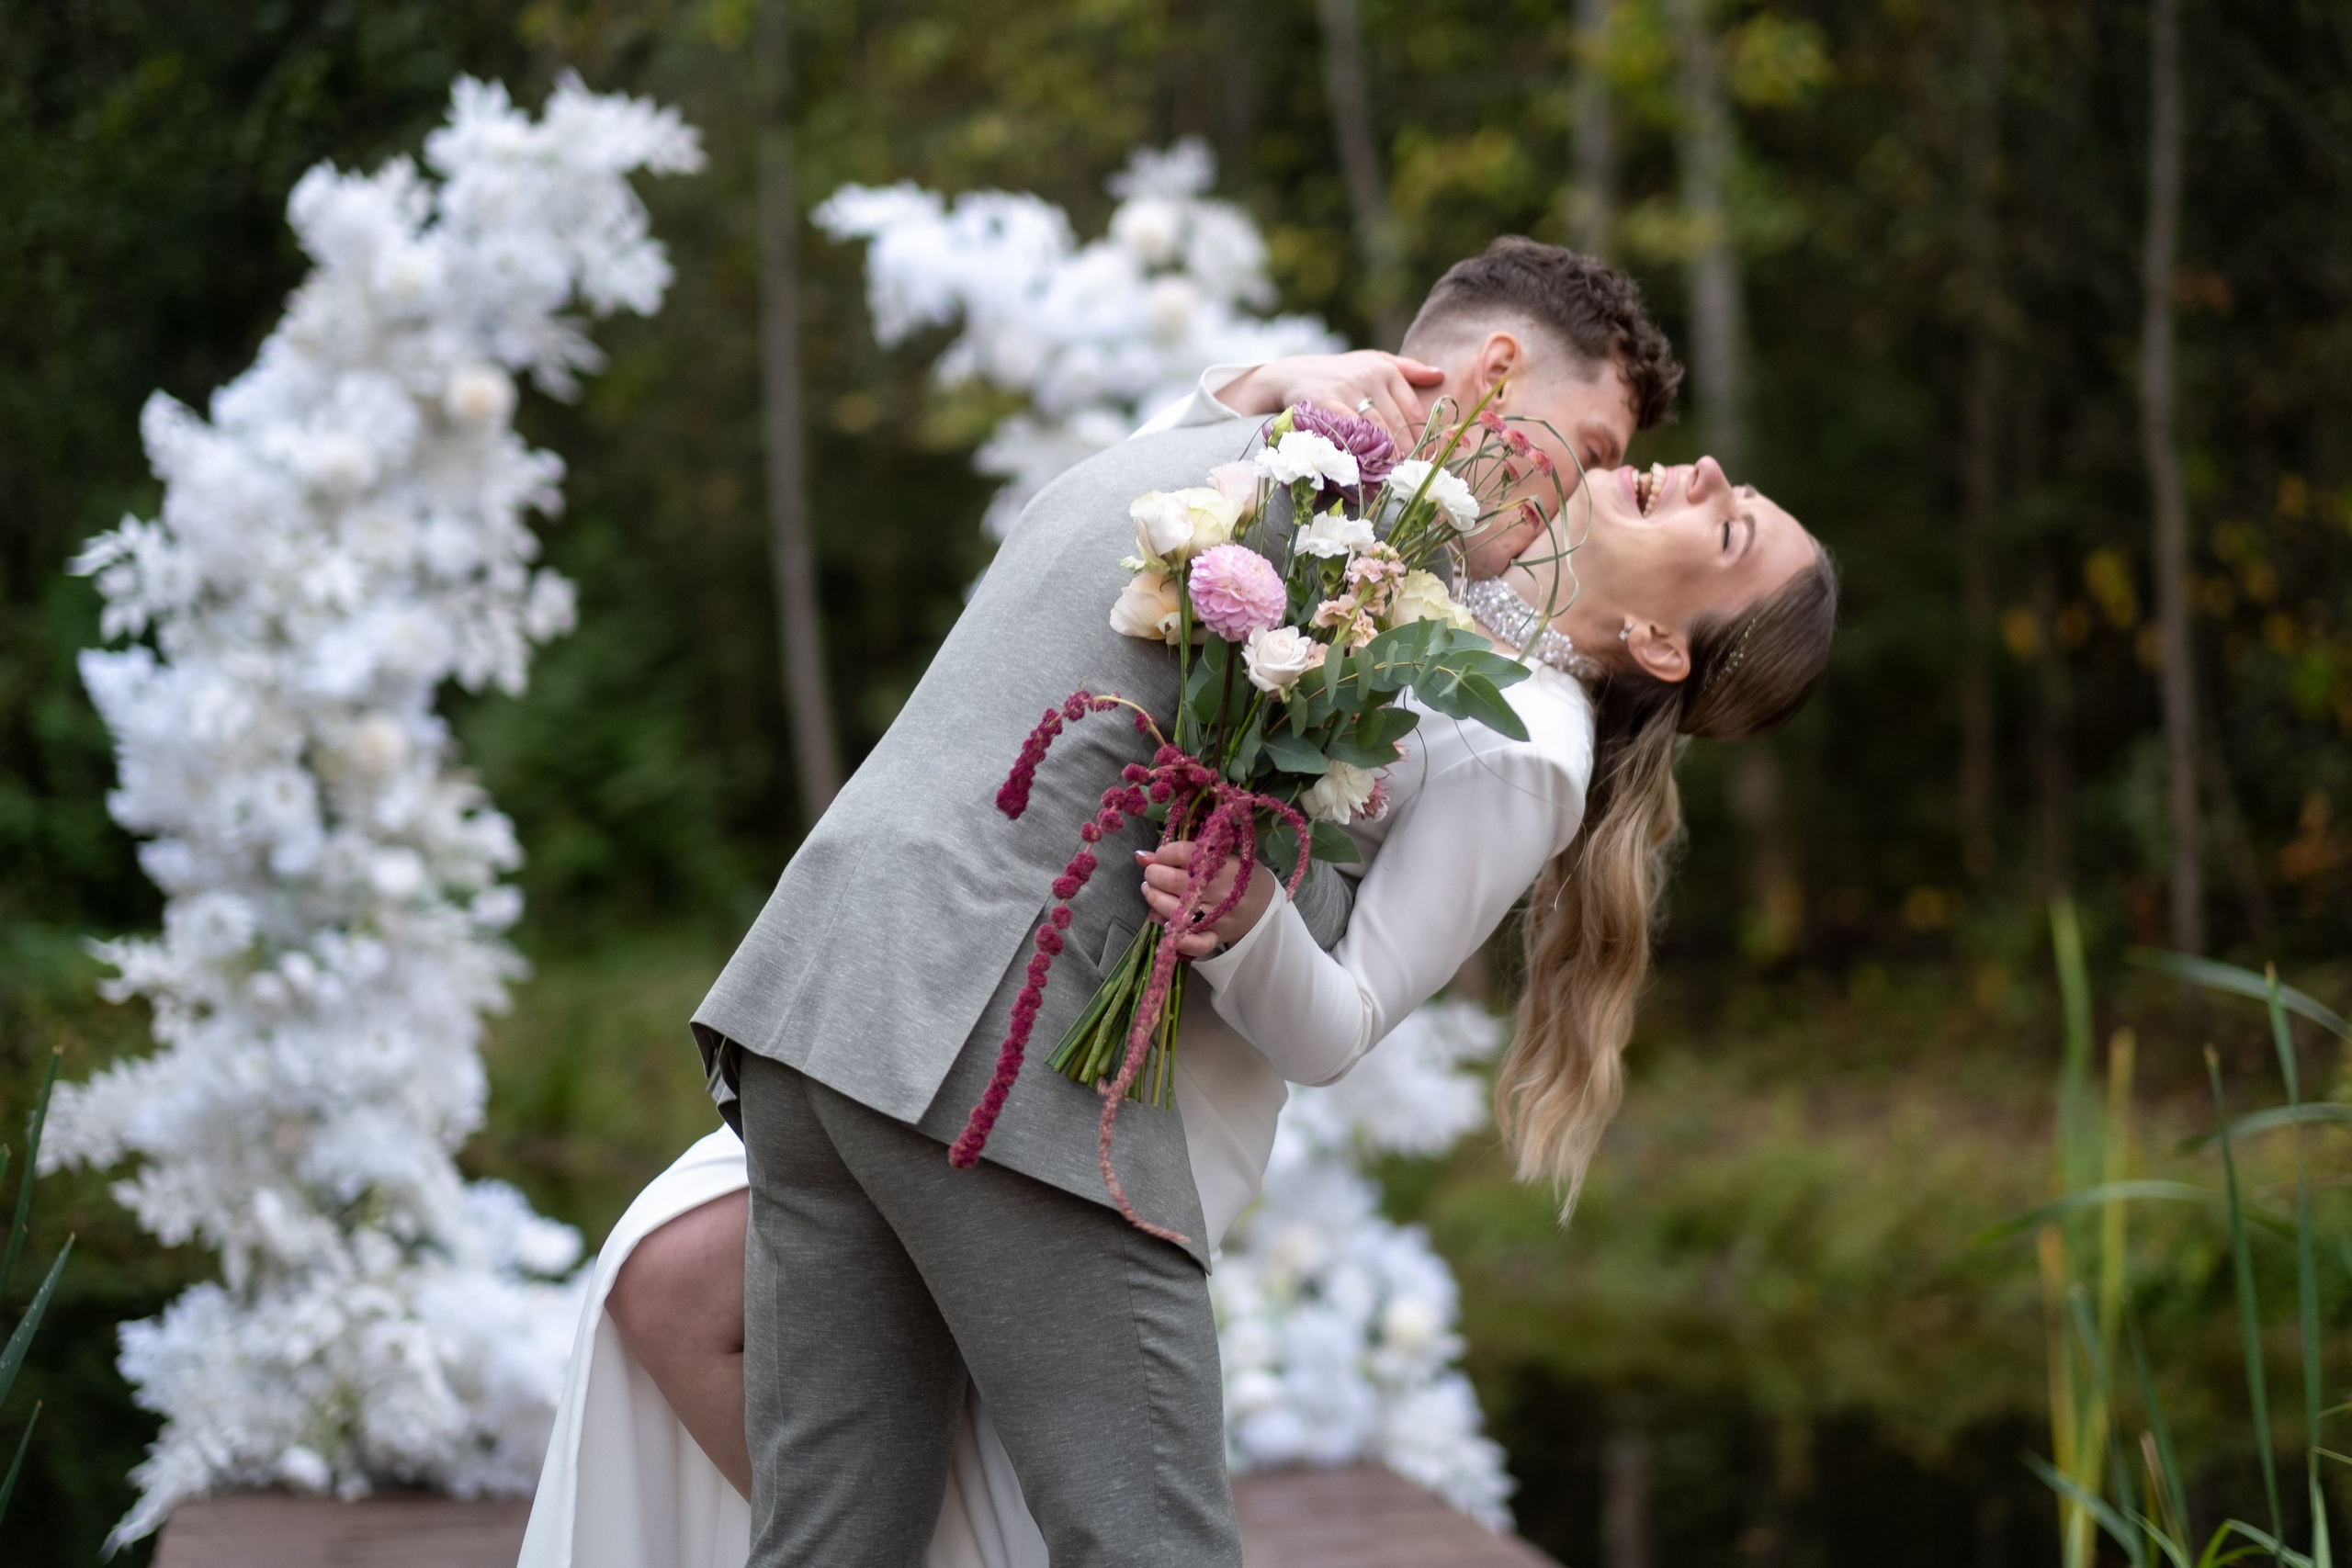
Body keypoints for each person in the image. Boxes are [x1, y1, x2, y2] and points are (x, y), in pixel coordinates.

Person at [516, 238, 1835, 1568]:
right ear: (1491, 375)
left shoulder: (1483, 690)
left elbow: (1333, 1005)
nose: (1668, 472)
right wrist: (1258, 385)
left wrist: (1247, 907)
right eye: (1601, 444)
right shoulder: (1341, 513)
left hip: (865, 1010)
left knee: (838, 1538)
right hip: (1000, 1053)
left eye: (1720, 522)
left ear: (1662, 644)